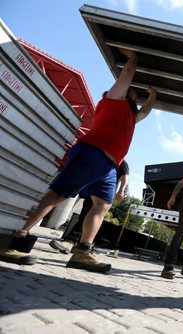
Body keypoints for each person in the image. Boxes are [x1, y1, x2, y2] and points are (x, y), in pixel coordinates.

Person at [0, 49, 157, 273]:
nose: (136, 94)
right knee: (58, 195)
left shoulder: (130, 118)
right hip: (92, 153)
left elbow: (145, 112)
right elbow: (128, 73)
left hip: (108, 167)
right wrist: (133, 57)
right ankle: (15, 238)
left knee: (102, 205)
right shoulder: (113, 100)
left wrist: (153, 95)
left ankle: (82, 251)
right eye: (134, 92)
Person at [49, 160, 129, 254]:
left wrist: (121, 190)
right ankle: (78, 244)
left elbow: (125, 177)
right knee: (84, 216)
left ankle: (71, 242)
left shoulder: (122, 162)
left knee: (86, 217)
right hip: (92, 191)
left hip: (104, 194)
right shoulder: (105, 159)